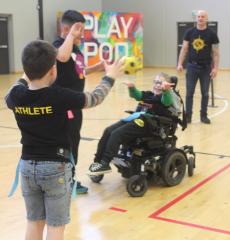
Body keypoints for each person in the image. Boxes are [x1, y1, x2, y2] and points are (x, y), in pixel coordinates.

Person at [5, 40, 124, 240]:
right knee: (55, 226)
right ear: (53, 70)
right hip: (55, 169)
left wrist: (29, 72)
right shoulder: (59, 96)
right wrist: (110, 77)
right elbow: (95, 98)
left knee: (34, 222)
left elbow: (18, 85)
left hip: (27, 167)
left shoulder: (16, 96)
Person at [53, 10, 104, 193]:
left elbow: (78, 71)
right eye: (78, 29)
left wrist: (95, 68)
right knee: (66, 144)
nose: (82, 34)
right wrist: (71, 36)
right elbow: (62, 57)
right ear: (66, 28)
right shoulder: (58, 45)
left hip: (75, 106)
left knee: (73, 143)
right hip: (63, 108)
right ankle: (66, 181)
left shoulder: (76, 49)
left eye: (83, 30)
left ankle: (69, 178)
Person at [88, 73, 179, 175]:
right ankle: (98, 162)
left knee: (117, 134)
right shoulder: (150, 95)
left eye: (161, 83)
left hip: (152, 125)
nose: (157, 85)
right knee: (108, 130)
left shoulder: (166, 97)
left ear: (166, 85)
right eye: (156, 82)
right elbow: (137, 95)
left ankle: (105, 162)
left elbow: (166, 101)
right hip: (141, 119)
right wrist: (132, 88)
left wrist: (166, 90)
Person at [177, 10, 220, 124]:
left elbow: (215, 53)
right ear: (196, 18)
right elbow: (184, 48)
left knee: (205, 93)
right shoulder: (189, 32)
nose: (200, 18)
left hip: (206, 68)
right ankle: (188, 116)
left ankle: (203, 116)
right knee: (189, 93)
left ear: (206, 19)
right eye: (199, 16)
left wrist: (215, 68)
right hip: (191, 67)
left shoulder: (212, 34)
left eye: (203, 17)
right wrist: (180, 63)